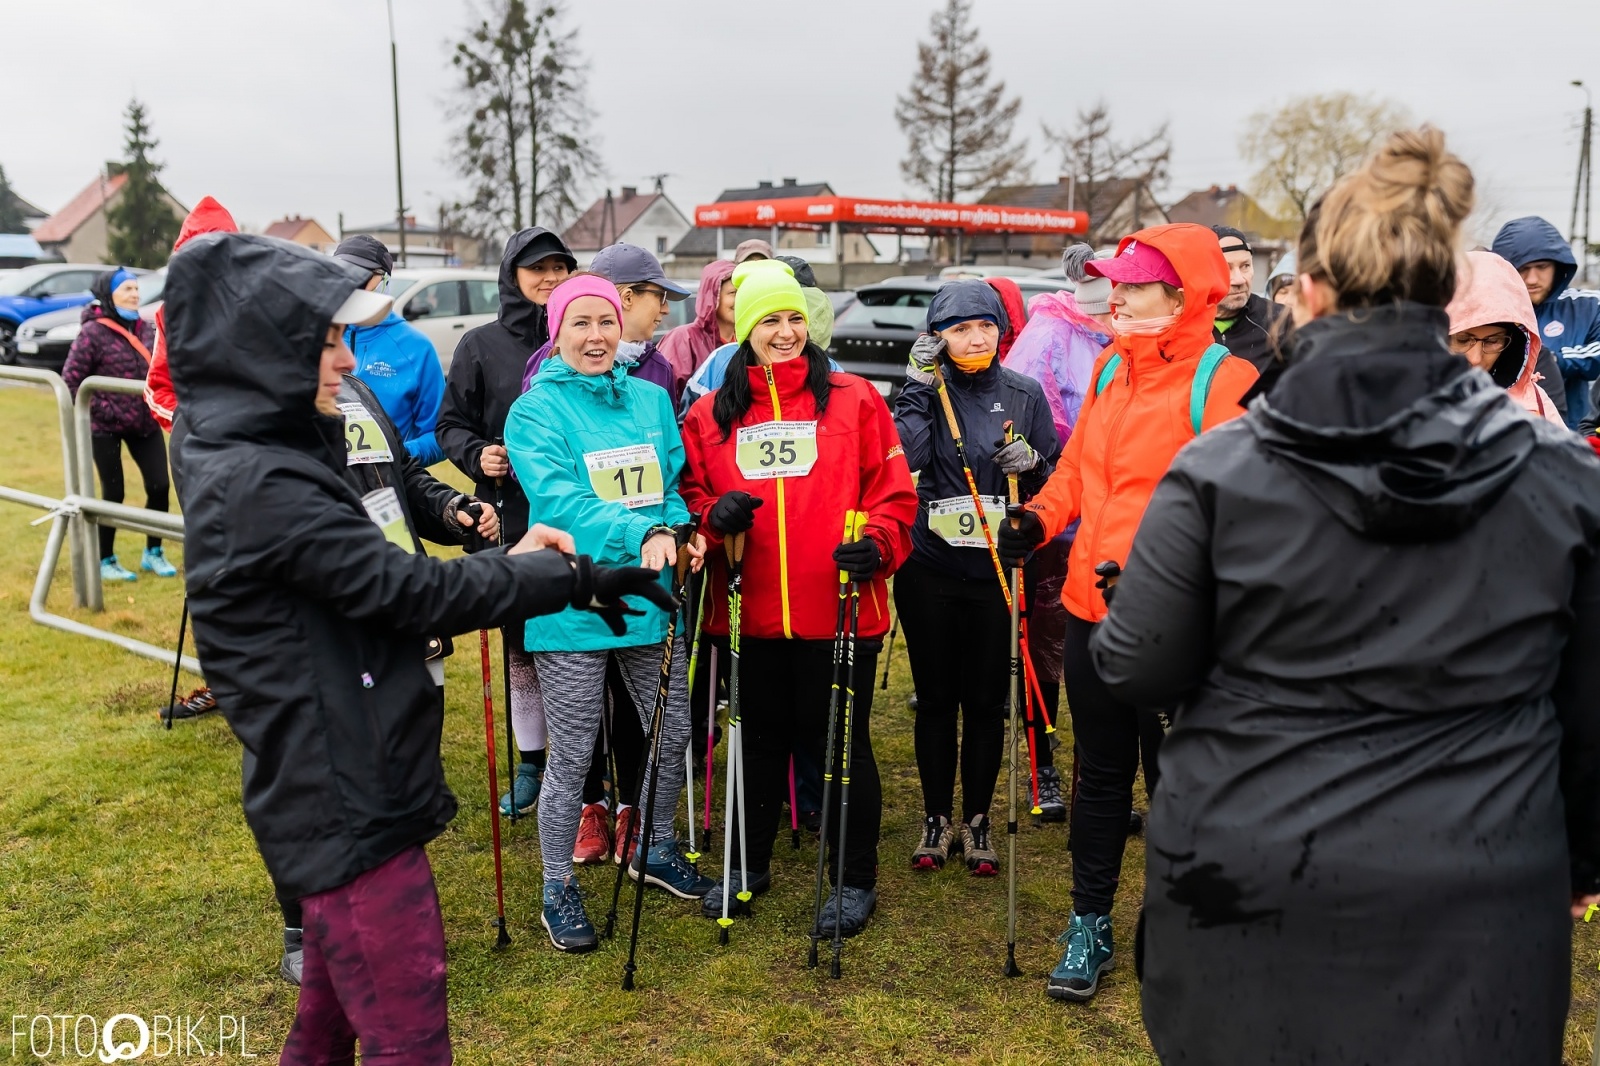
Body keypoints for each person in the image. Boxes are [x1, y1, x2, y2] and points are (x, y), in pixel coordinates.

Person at [1092, 127, 1600, 1066]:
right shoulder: (1563, 477)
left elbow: (1136, 663)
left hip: (1251, 875)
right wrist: (1576, 859)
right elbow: (1591, 712)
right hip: (1477, 886)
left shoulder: (1219, 470)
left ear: (1313, 293)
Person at [164, 231, 673, 1065]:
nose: (348, 359)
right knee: (409, 1034)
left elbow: (394, 524)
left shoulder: (270, 445)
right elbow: (407, 592)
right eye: (328, 340)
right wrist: (563, 575)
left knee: (325, 1025)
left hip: (348, 767)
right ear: (263, 351)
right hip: (342, 790)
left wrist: (500, 549)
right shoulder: (263, 479)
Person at [996, 223, 1258, 1003]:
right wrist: (1037, 519)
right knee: (1101, 775)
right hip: (1091, 610)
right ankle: (1090, 923)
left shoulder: (1226, 380)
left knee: (1180, 783)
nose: (1117, 296)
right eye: (1116, 283)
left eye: (1135, 286)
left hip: (1174, 624)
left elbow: (1240, 512)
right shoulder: (1113, 365)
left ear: (1181, 294)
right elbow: (1078, 472)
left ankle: (1189, 926)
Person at [679, 259, 918, 937]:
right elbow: (690, 498)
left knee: (841, 745)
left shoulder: (854, 398)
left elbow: (894, 494)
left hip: (839, 610)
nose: (785, 333)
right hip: (748, 613)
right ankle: (746, 866)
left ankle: (853, 878)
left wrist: (877, 543)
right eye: (768, 320)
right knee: (755, 746)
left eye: (794, 319)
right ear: (744, 329)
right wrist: (713, 517)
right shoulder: (709, 413)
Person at [504, 274, 713, 952]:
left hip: (647, 591)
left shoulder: (651, 400)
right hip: (574, 595)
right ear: (556, 332)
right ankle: (557, 886)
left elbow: (669, 486)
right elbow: (562, 502)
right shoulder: (535, 411)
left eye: (606, 323)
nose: (596, 337)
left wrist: (680, 531)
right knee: (572, 750)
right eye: (580, 323)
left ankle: (653, 845)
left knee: (672, 730)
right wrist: (641, 531)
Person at [893, 280, 1059, 875]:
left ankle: (979, 818)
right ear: (935, 336)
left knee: (987, 703)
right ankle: (936, 817)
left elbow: (1054, 481)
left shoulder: (1024, 392)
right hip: (931, 568)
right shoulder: (924, 388)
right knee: (937, 699)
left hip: (996, 572)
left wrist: (1033, 465)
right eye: (959, 328)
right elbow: (908, 457)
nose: (975, 338)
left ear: (1001, 329)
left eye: (985, 325)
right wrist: (916, 384)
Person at [437, 226, 576, 816]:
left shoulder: (583, 334)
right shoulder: (480, 345)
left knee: (579, 637)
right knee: (521, 643)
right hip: (509, 514)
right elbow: (450, 423)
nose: (549, 278)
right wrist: (478, 455)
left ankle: (583, 764)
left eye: (559, 267)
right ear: (511, 276)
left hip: (577, 511)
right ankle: (531, 761)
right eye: (536, 268)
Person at [999, 243, 1116, 824]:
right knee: (1044, 647)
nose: (1111, 318)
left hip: (1113, 522)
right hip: (1055, 517)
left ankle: (1097, 772)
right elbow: (1023, 419)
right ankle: (1042, 763)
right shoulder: (1048, 335)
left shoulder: (1134, 341)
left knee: (1107, 656)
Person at [142, 196, 238, 722]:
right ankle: (220, 681)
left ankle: (269, 677)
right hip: (197, 455)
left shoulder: (258, 301)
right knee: (208, 566)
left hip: (253, 451)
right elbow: (157, 387)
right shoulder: (169, 311)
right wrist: (189, 424)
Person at [62, 268, 175, 582]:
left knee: (159, 486)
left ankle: (153, 552)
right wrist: (105, 410)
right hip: (105, 427)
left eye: (136, 289)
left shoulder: (147, 328)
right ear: (108, 295)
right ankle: (106, 559)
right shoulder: (92, 333)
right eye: (126, 289)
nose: (134, 295)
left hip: (145, 421)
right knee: (114, 492)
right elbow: (71, 382)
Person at [520, 244, 688, 407]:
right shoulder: (549, 356)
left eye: (606, 322)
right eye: (661, 297)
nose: (666, 309)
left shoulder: (659, 366)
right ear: (627, 298)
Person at [332, 235, 447, 466]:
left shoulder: (416, 348)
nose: (350, 283)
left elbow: (440, 435)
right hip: (325, 480)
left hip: (388, 481)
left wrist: (395, 455)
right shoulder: (316, 334)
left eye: (361, 275)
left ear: (384, 282)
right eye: (342, 272)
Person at [1492, 215, 1598, 427]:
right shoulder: (1487, 310)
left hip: (1575, 434)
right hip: (1503, 435)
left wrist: (1552, 360)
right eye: (1522, 268)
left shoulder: (1588, 305)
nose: (1532, 279)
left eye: (1541, 267)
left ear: (1559, 265)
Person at [1447, 249, 1565, 426]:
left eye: (1492, 341)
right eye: (1462, 340)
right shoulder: (1409, 396)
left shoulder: (1533, 404)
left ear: (1512, 343)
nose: (1475, 358)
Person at [1210, 225, 1286, 373]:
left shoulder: (1281, 321)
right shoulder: (1184, 328)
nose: (1239, 280)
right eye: (1225, 268)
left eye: (1245, 266)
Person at [659, 259, 736, 399]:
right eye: (733, 293)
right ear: (713, 296)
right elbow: (665, 395)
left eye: (744, 292)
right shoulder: (684, 339)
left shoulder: (748, 341)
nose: (740, 299)